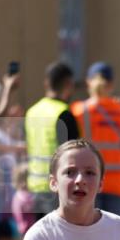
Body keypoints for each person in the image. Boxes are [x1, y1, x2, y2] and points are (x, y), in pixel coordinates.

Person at [71, 62, 120, 221]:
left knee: (88, 233)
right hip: (119, 183)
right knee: (114, 235)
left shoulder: (78, 110)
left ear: (88, 82)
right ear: (112, 84)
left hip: (88, 182)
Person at [24, 61, 79, 219]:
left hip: (34, 185)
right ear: (69, 84)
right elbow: (73, 155)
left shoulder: (32, 111)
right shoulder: (63, 114)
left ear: (46, 83)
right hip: (56, 187)